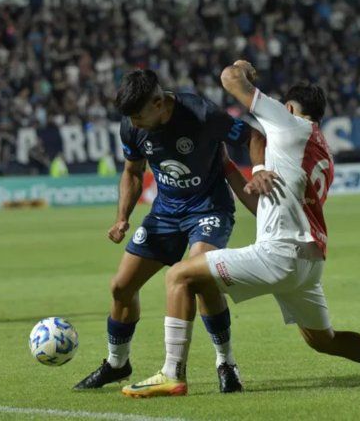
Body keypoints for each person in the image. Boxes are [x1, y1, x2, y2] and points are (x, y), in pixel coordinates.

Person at [122, 61, 360, 398]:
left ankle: (172, 374)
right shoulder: (322, 151)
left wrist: (241, 67)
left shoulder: (288, 124)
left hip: (279, 253)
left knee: (179, 277)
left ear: (289, 108)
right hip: (309, 263)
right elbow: (278, 196)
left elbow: (230, 79)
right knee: (324, 339)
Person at [73, 69, 266, 393]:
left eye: (139, 115)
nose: (133, 124)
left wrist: (259, 171)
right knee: (121, 287)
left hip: (209, 210)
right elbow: (133, 172)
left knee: (199, 277)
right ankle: (117, 363)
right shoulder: (131, 125)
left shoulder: (202, 115)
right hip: (164, 214)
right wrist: (123, 217)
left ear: (160, 103)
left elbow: (253, 137)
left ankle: (225, 362)